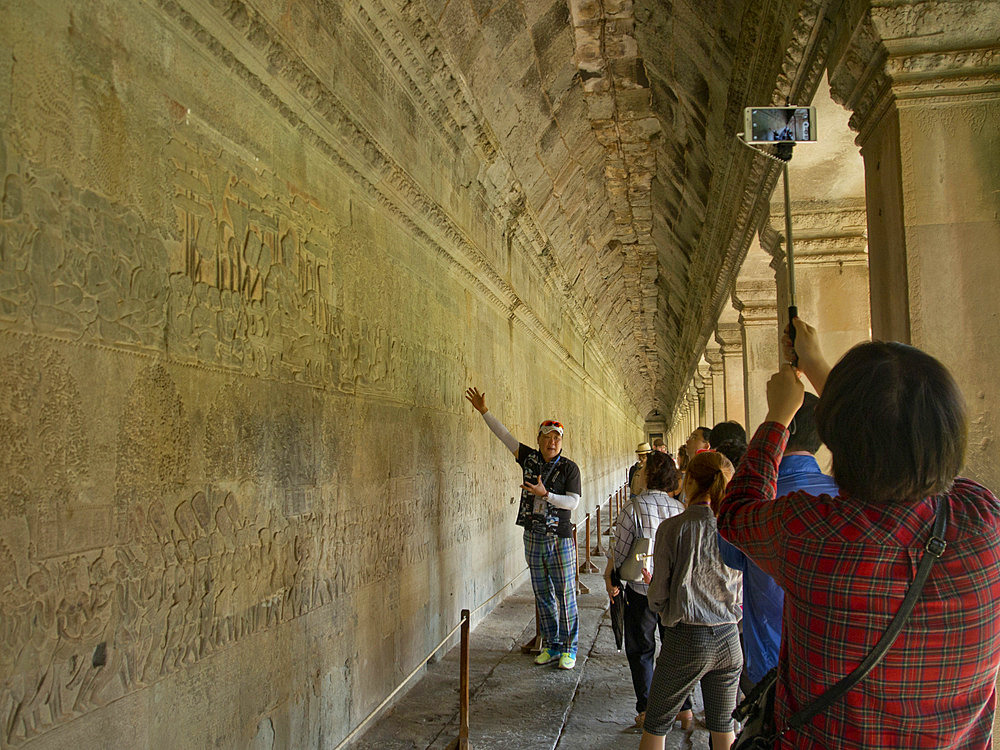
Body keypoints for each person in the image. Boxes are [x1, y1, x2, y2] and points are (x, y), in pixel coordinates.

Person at [718, 320, 1000, 748]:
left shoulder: (812, 533)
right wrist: (817, 368)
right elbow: (914, 448)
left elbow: (737, 511)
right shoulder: (984, 522)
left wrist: (779, 416)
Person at [717, 393, 838, 685]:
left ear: (783, 430)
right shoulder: (844, 495)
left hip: (771, 659)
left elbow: (732, 555)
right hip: (835, 660)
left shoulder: (757, 501)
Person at [466, 386, 582, 669]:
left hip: (559, 538)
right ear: (539, 439)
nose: (551, 442)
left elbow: (573, 503)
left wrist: (546, 495)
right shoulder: (529, 459)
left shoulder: (569, 469)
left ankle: (569, 648)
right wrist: (484, 412)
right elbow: (505, 437)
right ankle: (552, 645)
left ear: (561, 442)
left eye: (556, 438)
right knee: (542, 593)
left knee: (565, 593)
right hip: (533, 535)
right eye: (547, 437)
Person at [640, 451, 743, 750]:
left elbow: (658, 593)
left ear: (690, 481)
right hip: (728, 639)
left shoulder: (674, 528)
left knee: (656, 726)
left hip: (688, 639)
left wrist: (660, 606)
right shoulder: (733, 527)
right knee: (724, 728)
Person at [604, 451, 689, 731]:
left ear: (648, 475)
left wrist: (613, 578)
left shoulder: (633, 508)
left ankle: (647, 708)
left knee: (641, 649)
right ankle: (685, 708)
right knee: (675, 649)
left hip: (641, 590)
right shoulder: (680, 509)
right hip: (673, 592)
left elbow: (621, 551)